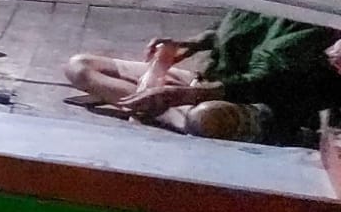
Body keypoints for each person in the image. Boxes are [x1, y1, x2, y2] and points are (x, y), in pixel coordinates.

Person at [64, 9, 341, 143]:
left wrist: (190, 95)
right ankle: (157, 108)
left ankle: (161, 109)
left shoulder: (323, 22)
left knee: (206, 118)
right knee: (80, 67)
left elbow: (264, 83)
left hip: (259, 104)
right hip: (205, 83)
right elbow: (228, 29)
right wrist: (191, 44)